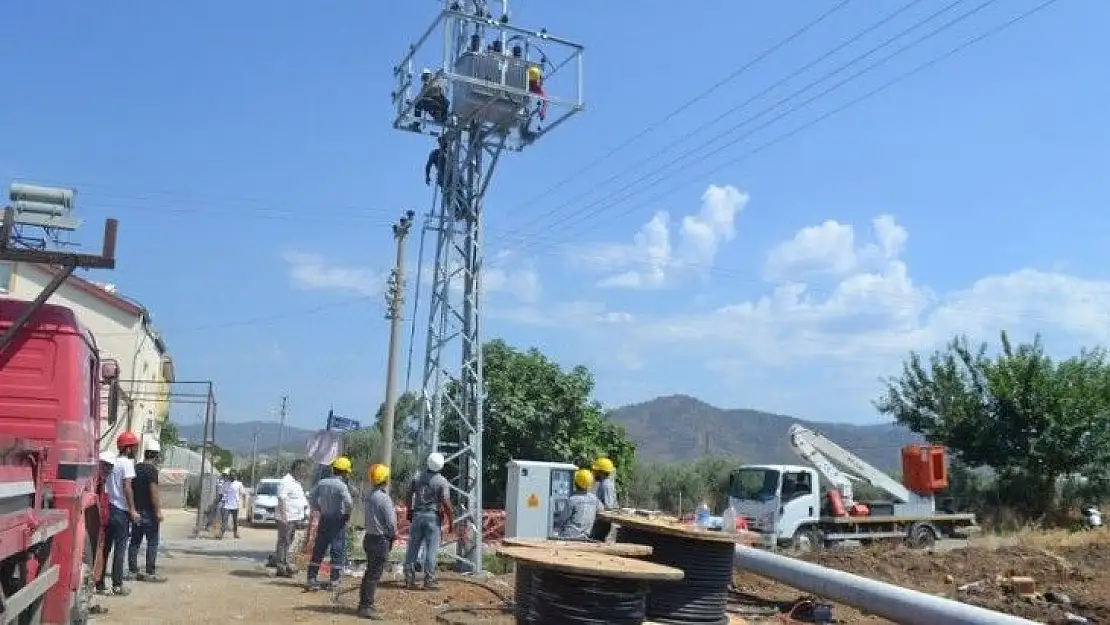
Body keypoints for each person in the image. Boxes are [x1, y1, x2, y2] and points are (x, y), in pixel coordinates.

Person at [98, 431, 140, 596]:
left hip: (108, 508)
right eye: (134, 446)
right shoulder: (127, 463)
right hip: (121, 510)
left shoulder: (112, 462)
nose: (136, 450)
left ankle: (99, 582)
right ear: (128, 448)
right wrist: (132, 510)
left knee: (105, 548)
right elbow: (127, 487)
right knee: (120, 549)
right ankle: (117, 585)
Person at [404, 452, 452, 590]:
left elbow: (408, 494)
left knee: (412, 548)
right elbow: (446, 502)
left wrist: (409, 510)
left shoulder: (417, 477)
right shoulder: (442, 481)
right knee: (431, 550)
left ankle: (409, 578)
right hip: (432, 517)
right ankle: (429, 580)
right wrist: (451, 520)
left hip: (417, 515)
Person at [306, 456, 354, 591]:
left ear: (334, 469)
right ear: (344, 472)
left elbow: (311, 497)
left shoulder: (322, 483)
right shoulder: (341, 486)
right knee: (337, 549)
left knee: (319, 548)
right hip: (337, 520)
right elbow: (349, 502)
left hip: (324, 518)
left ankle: (311, 578)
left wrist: (318, 508)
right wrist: (347, 514)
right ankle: (334, 580)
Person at [357, 463, 397, 620]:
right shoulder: (384, 498)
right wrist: (392, 536)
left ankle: (364, 604)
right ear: (385, 479)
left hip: (369, 537)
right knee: (374, 574)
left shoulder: (370, 496)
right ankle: (366, 606)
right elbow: (391, 523)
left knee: (370, 572)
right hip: (380, 540)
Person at [127, 440, 165, 582]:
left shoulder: (136, 468)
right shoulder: (152, 470)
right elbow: (153, 492)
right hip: (149, 512)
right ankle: (150, 572)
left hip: (136, 511)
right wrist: (158, 511)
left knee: (135, 542)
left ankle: (132, 571)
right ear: (156, 455)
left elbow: (130, 488)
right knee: (152, 542)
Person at [274, 459, 309, 578]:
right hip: (286, 518)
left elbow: (300, 500)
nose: (304, 473)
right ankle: (281, 567)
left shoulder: (296, 482)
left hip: (293, 518)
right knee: (283, 542)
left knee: (288, 541)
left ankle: (285, 563)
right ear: (296, 469)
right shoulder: (286, 481)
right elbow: (281, 499)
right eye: (302, 470)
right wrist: (284, 516)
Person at [555, 469, 601, 541]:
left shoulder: (572, 500)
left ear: (575, 483)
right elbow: (601, 509)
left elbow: (562, 519)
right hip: (585, 537)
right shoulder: (594, 499)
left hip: (569, 536)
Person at [588, 456, 618, 541]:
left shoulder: (606, 485)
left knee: (595, 540)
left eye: (596, 471)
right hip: (602, 520)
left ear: (601, 472)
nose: (594, 473)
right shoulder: (604, 484)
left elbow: (608, 506)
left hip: (603, 522)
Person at [219, 470, 245, 540]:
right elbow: (221, 493)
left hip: (235, 505)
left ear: (235, 476)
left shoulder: (239, 484)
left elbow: (243, 494)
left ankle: (235, 533)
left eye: (233, 475)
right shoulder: (225, 484)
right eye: (231, 475)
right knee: (224, 520)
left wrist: (244, 504)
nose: (232, 476)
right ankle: (221, 533)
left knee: (235, 520)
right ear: (229, 476)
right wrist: (219, 502)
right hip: (226, 505)